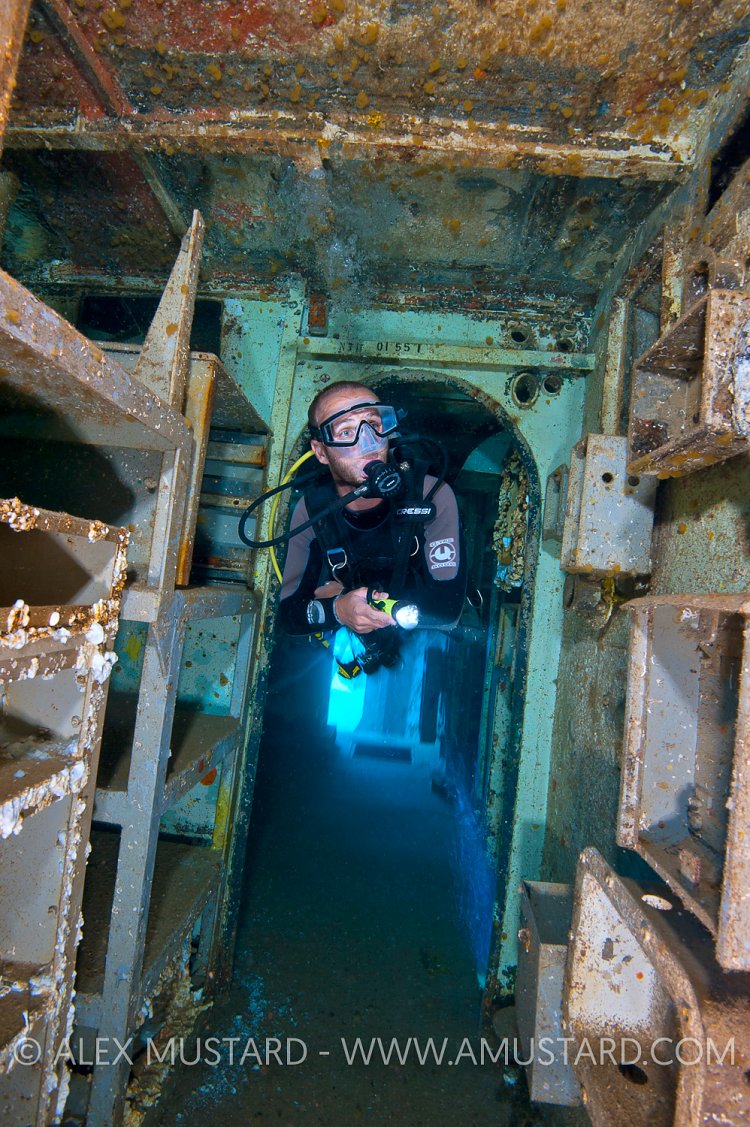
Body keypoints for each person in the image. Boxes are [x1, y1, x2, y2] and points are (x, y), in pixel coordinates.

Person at [278, 380, 466, 675]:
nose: (369, 444)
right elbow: (288, 615)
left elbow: (447, 608)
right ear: (321, 451)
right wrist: (340, 610)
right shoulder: (312, 512)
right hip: (356, 609)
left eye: (374, 424)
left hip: (418, 620)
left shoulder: (432, 495)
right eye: (345, 432)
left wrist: (368, 609)